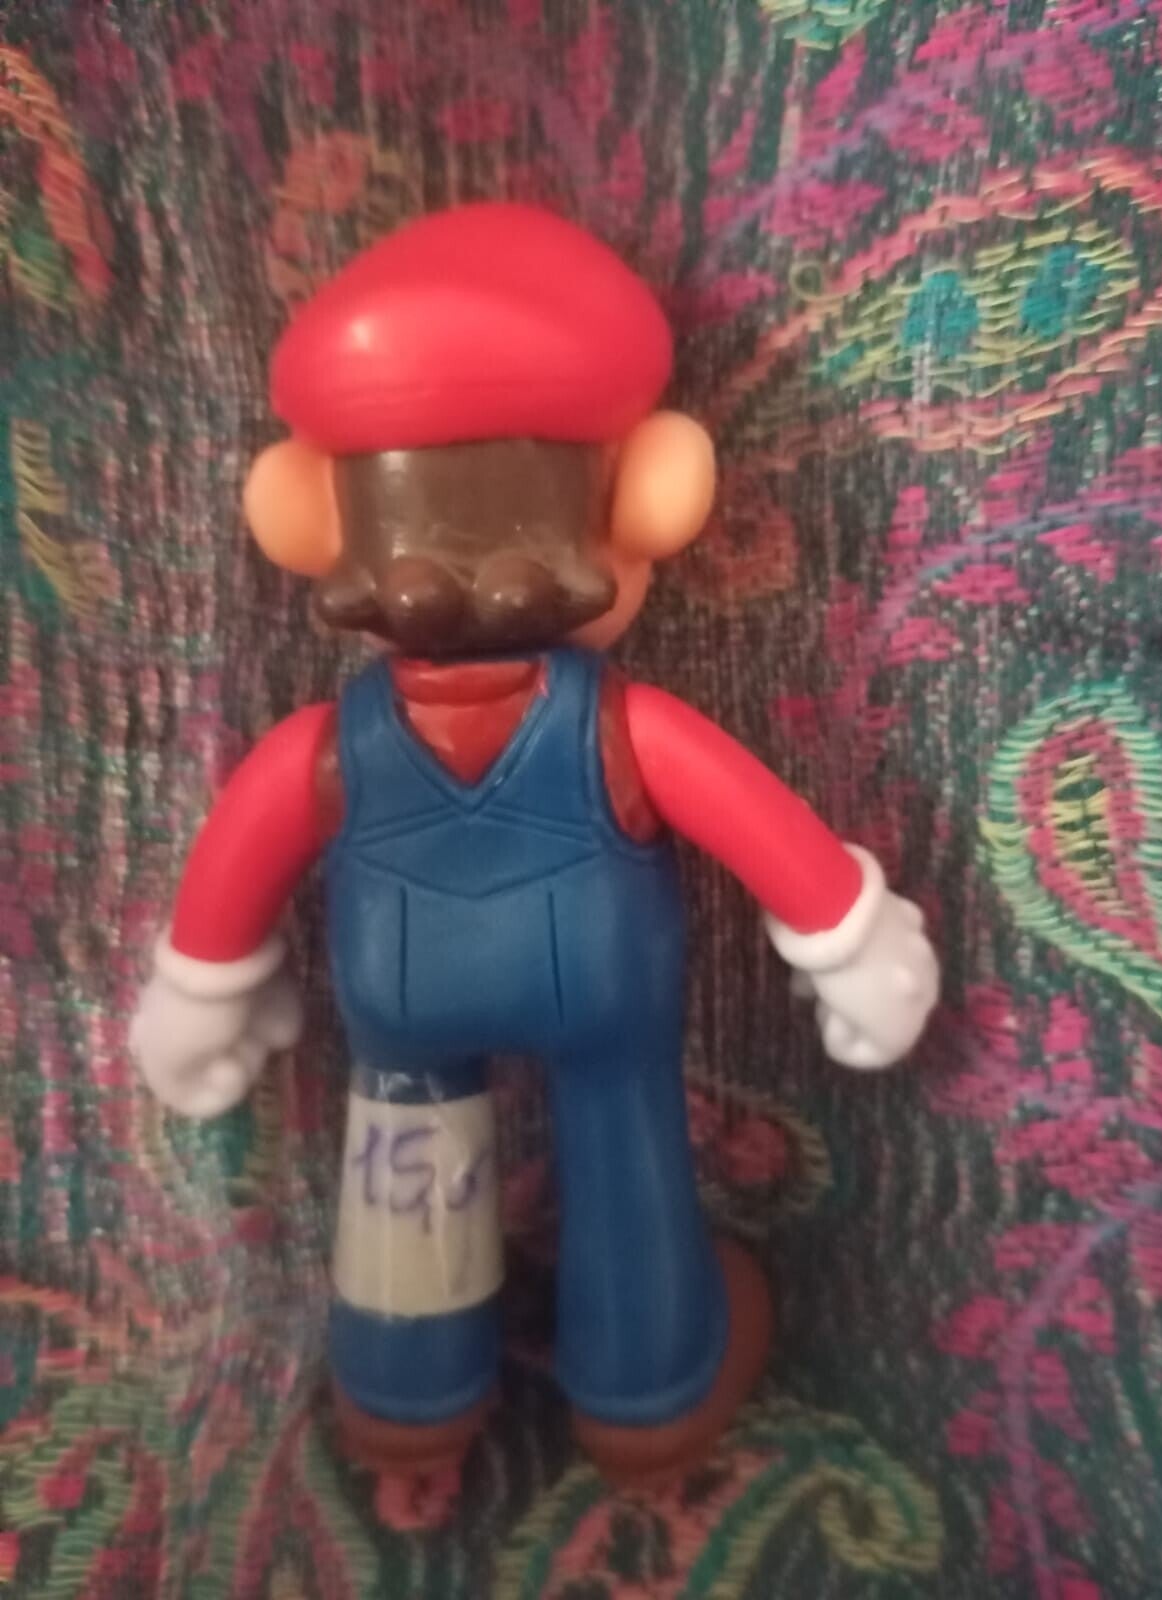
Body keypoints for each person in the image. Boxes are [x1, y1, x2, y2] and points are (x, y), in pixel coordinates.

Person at [131, 203, 939, 1485]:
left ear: (314, 519)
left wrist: (200, 990)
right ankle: (648, 1393)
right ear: (645, 499)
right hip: (600, 984)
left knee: (402, 1153)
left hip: (399, 986)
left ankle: (406, 1392)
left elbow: (240, 849)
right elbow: (759, 824)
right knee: (625, 1144)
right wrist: (852, 942)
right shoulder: (624, 726)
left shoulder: (329, 745)